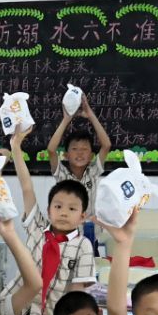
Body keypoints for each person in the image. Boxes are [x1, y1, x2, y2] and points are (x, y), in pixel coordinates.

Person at [3, 126, 97, 315]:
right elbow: (26, 187)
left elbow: (77, 290)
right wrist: (16, 148)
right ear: (49, 209)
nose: (64, 212)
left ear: (82, 216)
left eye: (72, 209)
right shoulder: (37, 227)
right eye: (58, 206)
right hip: (22, 312)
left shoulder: (83, 245)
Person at [47, 93, 113, 223]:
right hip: (66, 229)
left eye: (84, 149)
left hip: (91, 229)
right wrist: (66, 119)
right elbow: (51, 150)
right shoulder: (61, 174)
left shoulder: (93, 171)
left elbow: (106, 145)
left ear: (91, 156)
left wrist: (90, 115)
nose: (80, 153)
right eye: (74, 149)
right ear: (66, 155)